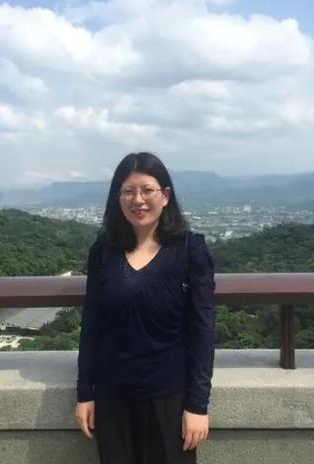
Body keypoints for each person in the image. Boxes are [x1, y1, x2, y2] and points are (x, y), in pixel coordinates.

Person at [75, 151, 216, 464]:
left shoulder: (189, 250)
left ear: (165, 195)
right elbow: (92, 324)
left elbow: (203, 331)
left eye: (147, 190)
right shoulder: (103, 251)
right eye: (128, 191)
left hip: (170, 398)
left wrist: (198, 405)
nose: (137, 200)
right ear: (118, 198)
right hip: (112, 399)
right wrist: (85, 392)